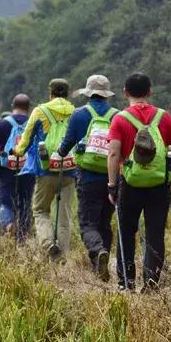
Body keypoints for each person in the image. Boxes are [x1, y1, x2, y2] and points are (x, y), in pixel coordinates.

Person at [107, 73, 171, 291]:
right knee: (155, 233)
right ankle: (151, 284)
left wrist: (112, 184)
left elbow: (113, 153)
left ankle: (126, 282)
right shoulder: (164, 117)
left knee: (126, 232)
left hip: (130, 183)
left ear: (125, 93)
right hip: (158, 185)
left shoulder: (120, 119)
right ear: (150, 92)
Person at [58, 75, 119, 280]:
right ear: (106, 94)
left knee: (87, 224)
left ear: (88, 93)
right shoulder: (117, 115)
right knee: (105, 222)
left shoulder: (78, 115)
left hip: (87, 176)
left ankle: (97, 251)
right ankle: (101, 264)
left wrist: (60, 151)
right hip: (112, 178)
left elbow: (66, 144)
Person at [13, 79, 76, 260]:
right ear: (67, 93)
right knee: (64, 215)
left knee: (40, 210)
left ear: (51, 93)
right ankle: (61, 256)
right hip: (70, 169)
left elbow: (24, 143)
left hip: (46, 169)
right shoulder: (75, 112)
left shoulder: (40, 111)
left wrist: (16, 152)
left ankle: (48, 244)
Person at [0, 94, 35, 240]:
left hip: (6, 169)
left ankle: (8, 225)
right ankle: (23, 237)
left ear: (12, 106)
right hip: (27, 169)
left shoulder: (3, 124)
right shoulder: (33, 122)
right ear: (29, 107)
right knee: (25, 202)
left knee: (5, 202)